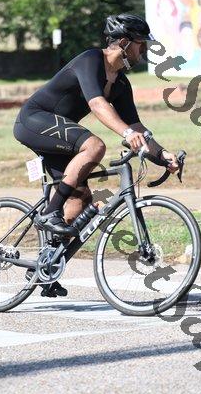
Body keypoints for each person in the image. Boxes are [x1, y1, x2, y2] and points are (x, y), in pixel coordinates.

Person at [13, 13, 179, 239]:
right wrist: (126, 133)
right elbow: (97, 103)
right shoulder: (90, 60)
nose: (144, 51)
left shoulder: (120, 83)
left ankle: (50, 257)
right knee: (94, 146)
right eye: (141, 45)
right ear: (124, 43)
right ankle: (50, 213)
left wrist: (162, 155)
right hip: (34, 120)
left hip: (58, 135)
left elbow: (136, 126)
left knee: (80, 200)